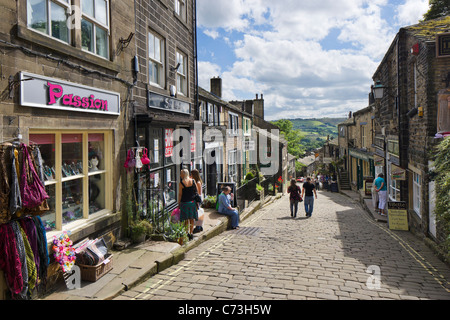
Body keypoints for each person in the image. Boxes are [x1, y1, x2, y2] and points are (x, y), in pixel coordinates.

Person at [178, 169, 198, 240]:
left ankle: (187, 233)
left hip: (184, 203)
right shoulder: (192, 181)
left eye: (181, 174)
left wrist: (178, 203)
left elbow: (180, 194)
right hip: (192, 202)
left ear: (183, 174)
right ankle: (191, 232)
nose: (180, 175)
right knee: (192, 218)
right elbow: (196, 191)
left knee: (186, 219)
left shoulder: (181, 183)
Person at [190, 169, 204, 234]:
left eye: (191, 174)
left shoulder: (197, 182)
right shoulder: (197, 181)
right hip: (197, 199)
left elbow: (198, 193)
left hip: (197, 199)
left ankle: (198, 227)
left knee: (197, 214)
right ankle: (200, 226)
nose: (190, 175)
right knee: (198, 213)